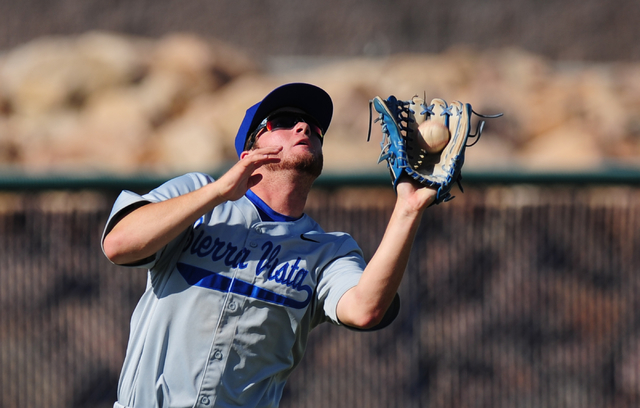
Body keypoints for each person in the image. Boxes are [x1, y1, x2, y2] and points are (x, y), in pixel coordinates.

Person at [102, 82, 437, 408]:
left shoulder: (328, 252)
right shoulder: (198, 197)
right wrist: (218, 191)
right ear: (250, 152)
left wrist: (408, 209)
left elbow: (366, 309)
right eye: (285, 122)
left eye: (314, 127)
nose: (304, 126)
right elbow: (119, 244)